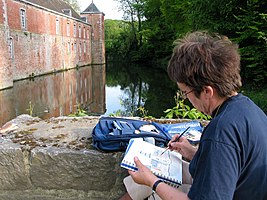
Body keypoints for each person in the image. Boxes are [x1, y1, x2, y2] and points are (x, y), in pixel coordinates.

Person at [120, 31, 267, 200]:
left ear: (207, 91)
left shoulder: (220, 131)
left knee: (150, 185)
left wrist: (152, 181)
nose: (186, 98)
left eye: (185, 92)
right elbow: (232, 164)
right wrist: (192, 152)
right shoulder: (248, 108)